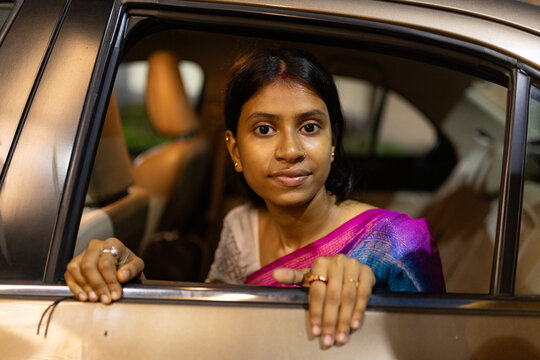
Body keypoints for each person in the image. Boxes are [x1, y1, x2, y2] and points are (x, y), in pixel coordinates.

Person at [65, 48, 445, 349]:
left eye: (310, 127)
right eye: (264, 129)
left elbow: (442, 346)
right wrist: (130, 281)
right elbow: (209, 330)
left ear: (333, 140)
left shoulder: (397, 243)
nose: (291, 150)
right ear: (235, 150)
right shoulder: (240, 226)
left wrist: (368, 292)